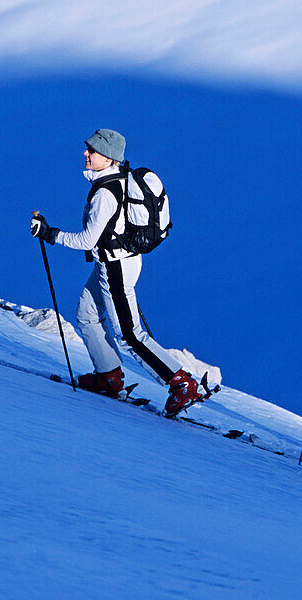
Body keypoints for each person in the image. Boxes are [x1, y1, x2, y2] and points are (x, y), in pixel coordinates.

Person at [30, 129, 203, 416]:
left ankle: (182, 384)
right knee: (86, 314)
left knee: (130, 334)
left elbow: (88, 240)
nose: (85, 154)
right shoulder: (120, 180)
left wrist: (50, 234)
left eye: (92, 151)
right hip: (117, 263)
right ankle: (108, 377)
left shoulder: (105, 193)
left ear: (108, 157)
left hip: (115, 267)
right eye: (87, 148)